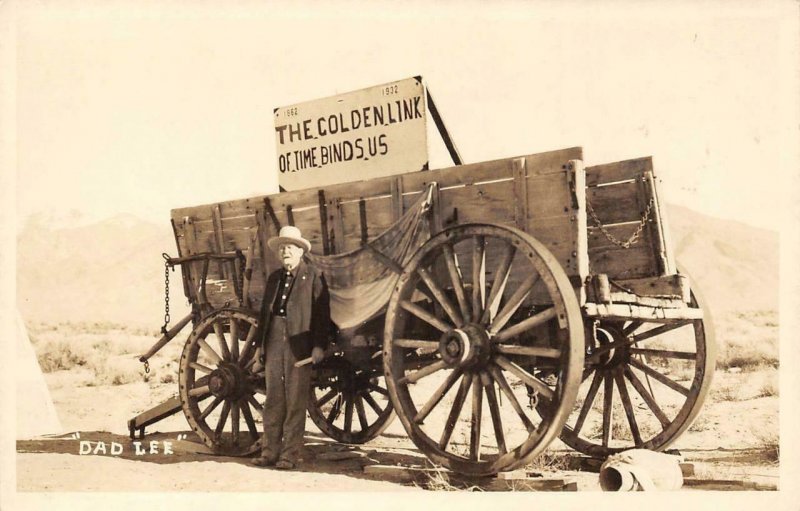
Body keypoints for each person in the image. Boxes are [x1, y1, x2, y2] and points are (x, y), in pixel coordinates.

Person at [251, 225, 330, 470]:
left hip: (300, 342)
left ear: (300, 252)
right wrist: (259, 348)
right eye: (283, 247)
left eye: (290, 247)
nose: (286, 251)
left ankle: (289, 455)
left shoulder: (313, 276)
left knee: (296, 398)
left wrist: (318, 346)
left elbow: (321, 315)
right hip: (274, 336)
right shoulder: (274, 279)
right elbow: (265, 316)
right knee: (274, 395)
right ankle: (269, 452)